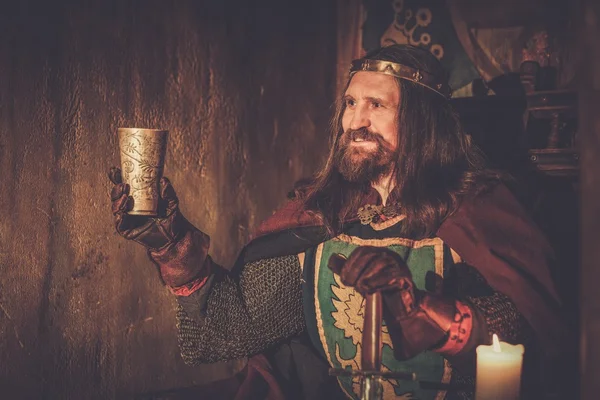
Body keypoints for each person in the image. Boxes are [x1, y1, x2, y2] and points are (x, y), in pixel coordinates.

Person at [109, 45, 568, 400]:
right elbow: (228, 329)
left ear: (423, 122)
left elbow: (527, 333)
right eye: (350, 103)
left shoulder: (476, 210)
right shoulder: (322, 217)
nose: (355, 120)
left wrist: (419, 307)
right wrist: (175, 251)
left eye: (376, 105)